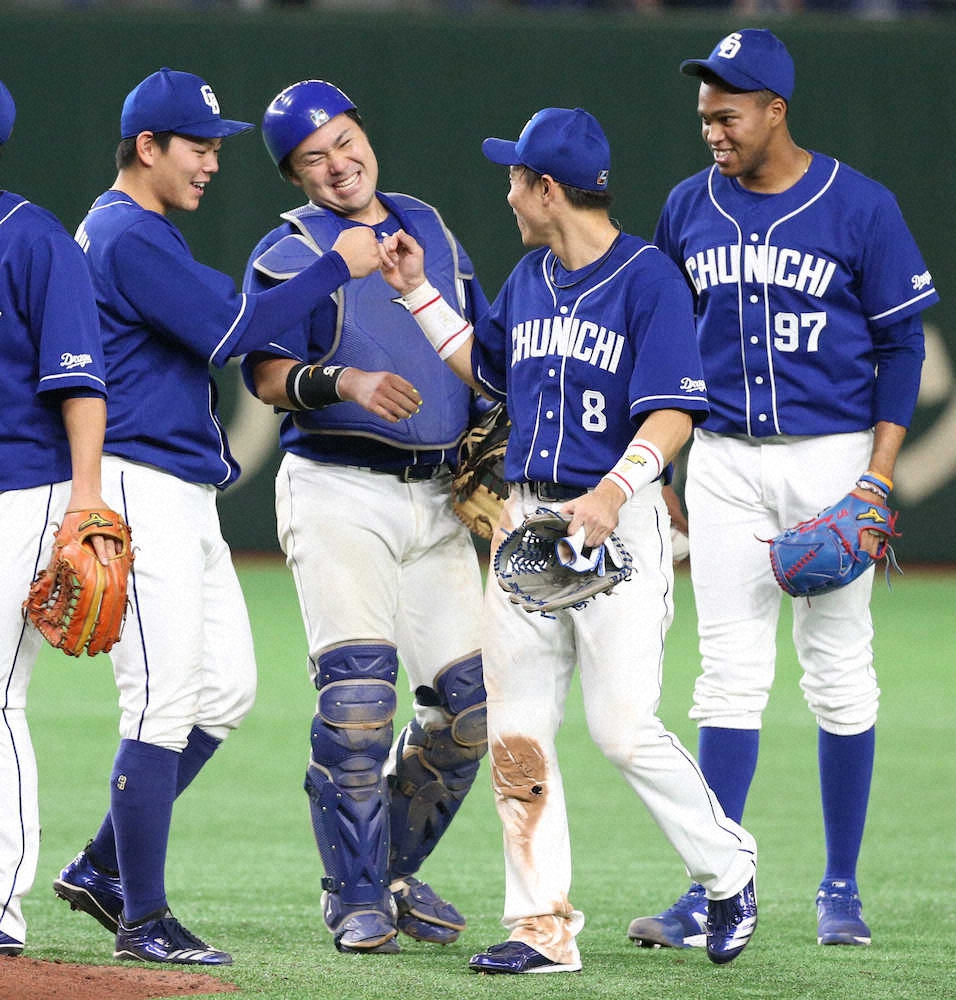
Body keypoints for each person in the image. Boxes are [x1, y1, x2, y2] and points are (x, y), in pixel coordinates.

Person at [379, 106, 759, 974]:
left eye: (516, 178)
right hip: (528, 523)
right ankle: (541, 929)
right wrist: (415, 292)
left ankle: (728, 869)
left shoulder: (648, 279)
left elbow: (672, 411)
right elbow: (492, 370)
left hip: (616, 526)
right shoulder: (530, 276)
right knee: (519, 732)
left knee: (623, 729)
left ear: (548, 189)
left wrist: (612, 492)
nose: (508, 191)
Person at [50, 67, 384, 966]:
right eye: (197, 146)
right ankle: (143, 919)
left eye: (217, 148)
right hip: (136, 484)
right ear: (147, 147)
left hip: (178, 490)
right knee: (158, 702)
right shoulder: (127, 235)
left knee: (225, 689)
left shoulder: (135, 230)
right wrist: (335, 267)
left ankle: (103, 867)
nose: (211, 163)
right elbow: (234, 329)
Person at [627, 29, 936, 950]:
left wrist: (877, 478)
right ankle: (713, 888)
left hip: (833, 455)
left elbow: (903, 345)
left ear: (776, 110)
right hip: (723, 459)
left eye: (728, 115)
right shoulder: (687, 208)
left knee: (840, 676)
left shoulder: (860, 206)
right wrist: (669, 468)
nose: (712, 131)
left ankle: (839, 887)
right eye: (704, 116)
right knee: (727, 676)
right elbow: (668, 349)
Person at [240, 80, 488, 955]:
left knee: (473, 714)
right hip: (339, 487)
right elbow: (266, 373)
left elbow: (479, 345)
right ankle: (353, 896)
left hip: (438, 499)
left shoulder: (428, 223)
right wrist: (339, 381)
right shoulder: (293, 247)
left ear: (363, 133)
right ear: (296, 174)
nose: (339, 164)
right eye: (315, 156)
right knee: (356, 706)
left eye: (345, 140)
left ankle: (383, 867)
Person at [0, 79, 116, 959]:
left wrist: (84, 498)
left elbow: (79, 383)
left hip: (21, 490)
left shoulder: (33, 239)